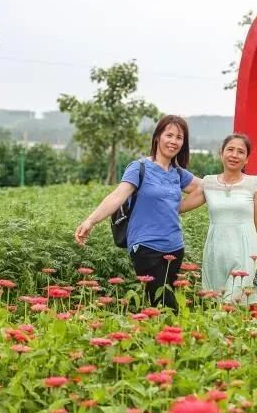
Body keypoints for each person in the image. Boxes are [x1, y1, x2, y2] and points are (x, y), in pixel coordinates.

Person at [75, 115, 201, 308]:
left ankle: (153, 333)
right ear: (158, 137)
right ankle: (175, 334)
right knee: (165, 304)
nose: (174, 141)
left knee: (161, 301)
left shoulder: (178, 173)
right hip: (146, 246)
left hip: (175, 247)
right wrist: (90, 221)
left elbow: (208, 188)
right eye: (169, 135)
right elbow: (117, 196)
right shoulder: (140, 168)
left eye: (179, 137)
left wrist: (250, 191)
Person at [179, 134, 257, 307]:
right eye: (230, 149)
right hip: (216, 252)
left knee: (236, 302)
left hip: (246, 252)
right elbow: (179, 207)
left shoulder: (254, 183)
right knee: (216, 302)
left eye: (240, 152)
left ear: (246, 159)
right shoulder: (208, 183)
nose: (234, 155)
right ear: (221, 154)